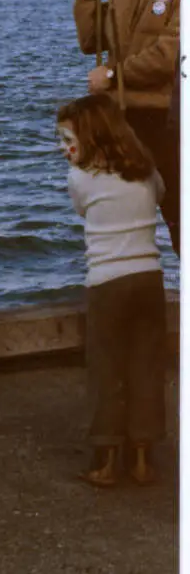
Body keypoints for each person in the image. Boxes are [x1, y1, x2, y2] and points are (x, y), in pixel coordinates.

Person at [57, 95, 166, 488]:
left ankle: (106, 458)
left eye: (67, 138)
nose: (62, 147)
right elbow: (161, 194)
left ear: (87, 137)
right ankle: (142, 457)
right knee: (146, 366)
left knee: (107, 369)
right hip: (149, 278)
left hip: (107, 283)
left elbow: (83, 210)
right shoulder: (145, 169)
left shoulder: (80, 178)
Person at [73, 0, 180, 254]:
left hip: (167, 123)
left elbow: (173, 52)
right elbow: (92, 40)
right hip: (124, 123)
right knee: (125, 230)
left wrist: (115, 76)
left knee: (180, 221)